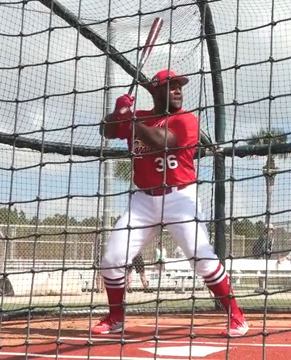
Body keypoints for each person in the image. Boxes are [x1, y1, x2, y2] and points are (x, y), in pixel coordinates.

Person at [93, 69, 248, 337]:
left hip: (180, 197)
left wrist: (130, 121)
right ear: (155, 91)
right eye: (171, 85)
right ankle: (116, 318)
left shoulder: (186, 120)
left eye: (179, 86)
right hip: (143, 200)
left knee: (202, 261)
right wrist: (115, 114)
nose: (178, 90)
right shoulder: (139, 117)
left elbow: (161, 143)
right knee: (112, 259)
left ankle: (237, 317)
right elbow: (106, 132)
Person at [251, 223, 274, 293]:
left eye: (271, 229)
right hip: (261, 257)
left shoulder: (271, 238)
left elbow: (270, 248)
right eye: (270, 229)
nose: (271, 231)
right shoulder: (263, 237)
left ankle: (263, 288)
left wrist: (269, 252)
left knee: (266, 273)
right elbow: (261, 248)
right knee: (262, 274)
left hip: (267, 257)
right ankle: (262, 288)